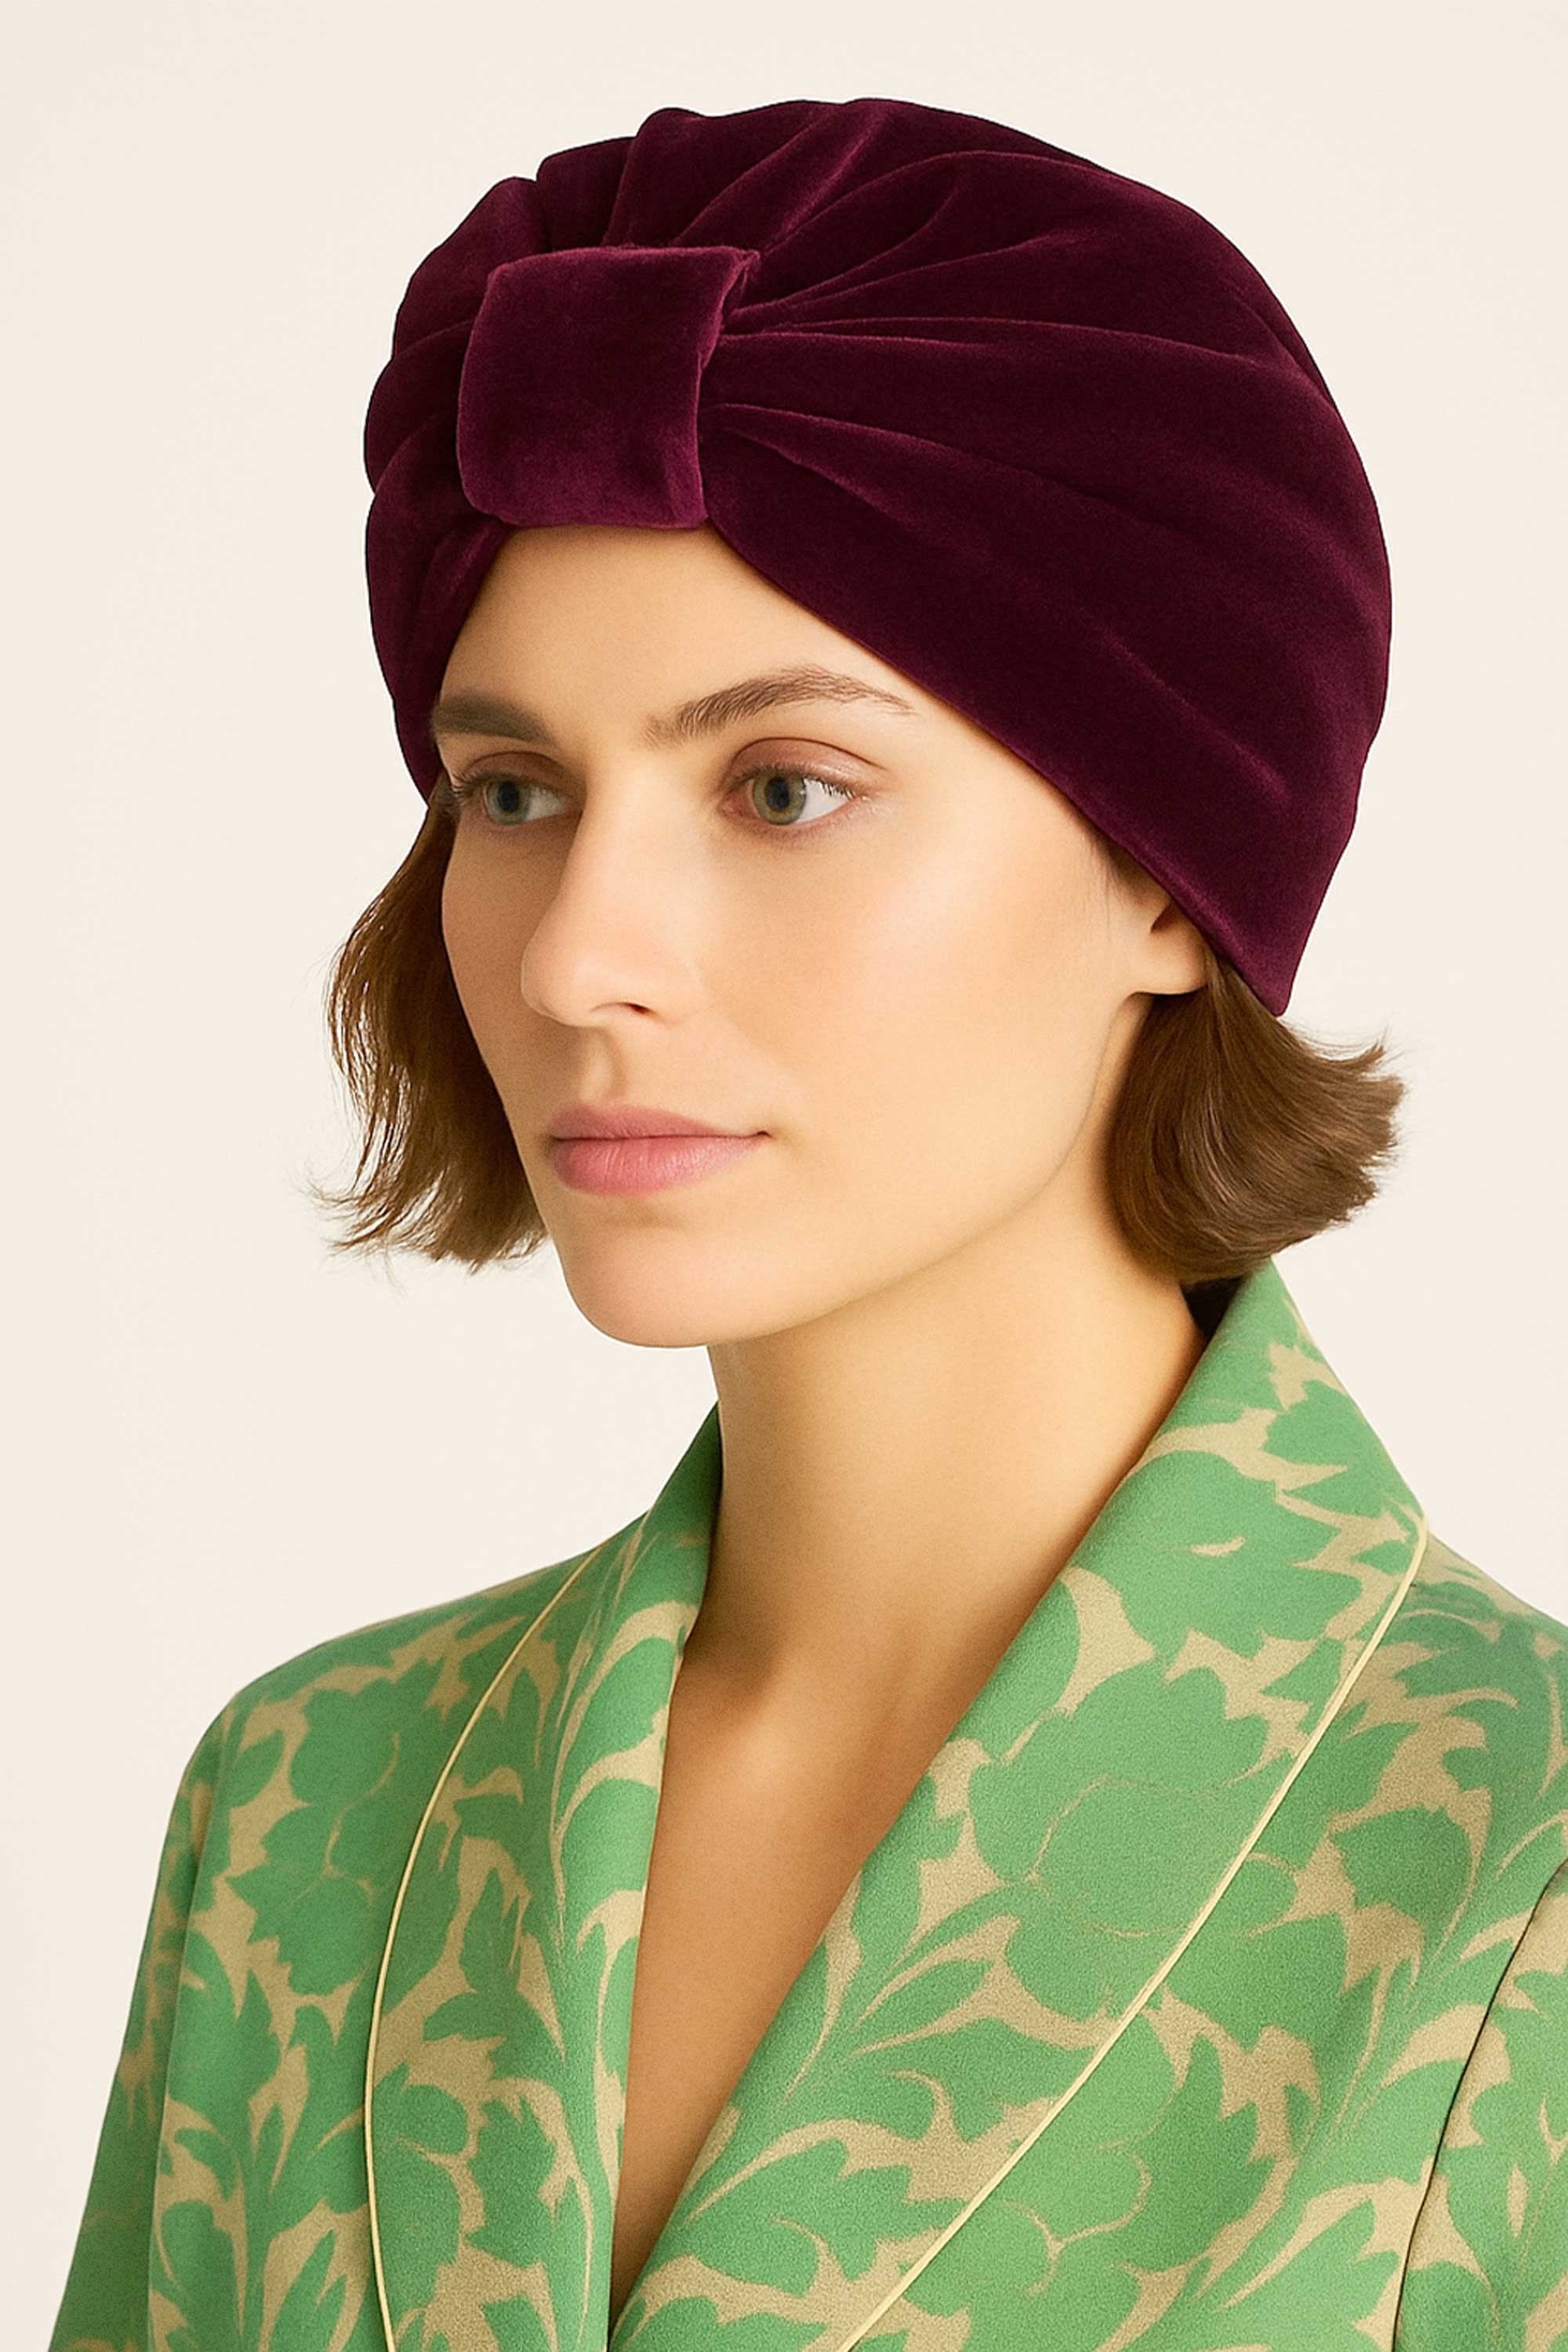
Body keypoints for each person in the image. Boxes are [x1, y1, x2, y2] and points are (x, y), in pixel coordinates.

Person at [50, 94, 1566, 2352]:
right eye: (513, 791)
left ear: (1172, 871)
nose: (579, 957)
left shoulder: (1519, 1877)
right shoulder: (306, 1817)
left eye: (783, 788)